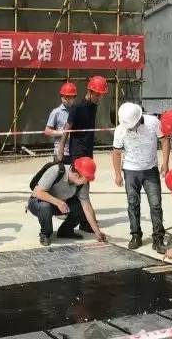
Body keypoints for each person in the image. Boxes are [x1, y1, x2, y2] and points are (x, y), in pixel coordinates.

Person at [112, 102, 168, 254]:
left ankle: (158, 239)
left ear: (139, 119)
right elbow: (116, 152)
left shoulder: (153, 122)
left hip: (151, 170)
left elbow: (164, 140)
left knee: (155, 205)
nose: (129, 128)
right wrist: (117, 174)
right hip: (130, 171)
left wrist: (165, 163)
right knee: (133, 204)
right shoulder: (120, 129)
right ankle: (136, 236)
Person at [57, 75, 109, 233]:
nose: (100, 98)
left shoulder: (94, 106)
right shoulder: (77, 108)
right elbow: (67, 129)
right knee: (80, 187)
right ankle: (82, 221)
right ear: (90, 91)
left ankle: (83, 220)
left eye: (101, 95)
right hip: (78, 152)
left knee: (85, 186)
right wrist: (61, 150)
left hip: (88, 151)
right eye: (98, 94)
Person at [27, 157, 107, 246]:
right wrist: (58, 202)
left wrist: (97, 231)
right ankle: (45, 234)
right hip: (38, 202)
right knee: (45, 207)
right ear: (77, 175)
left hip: (61, 204)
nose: (86, 182)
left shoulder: (82, 183)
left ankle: (65, 231)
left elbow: (87, 207)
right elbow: (38, 193)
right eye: (86, 179)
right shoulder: (56, 171)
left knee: (81, 206)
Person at [45, 82, 77, 164]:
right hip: (60, 151)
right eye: (65, 97)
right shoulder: (56, 112)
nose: (67, 100)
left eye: (70, 97)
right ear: (61, 97)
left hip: (75, 151)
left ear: (74, 97)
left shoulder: (78, 112)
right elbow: (47, 131)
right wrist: (63, 133)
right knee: (59, 171)